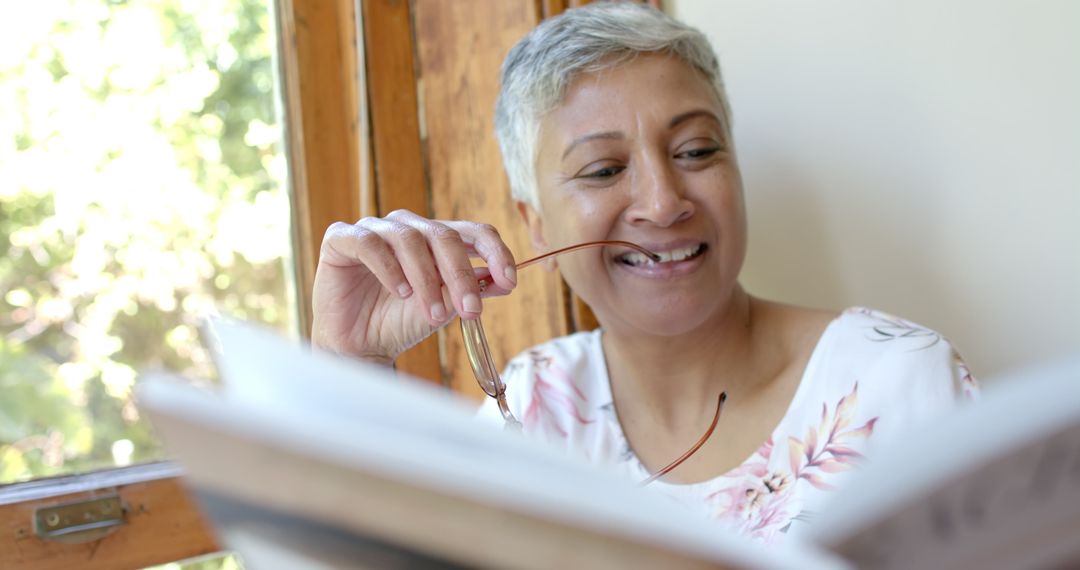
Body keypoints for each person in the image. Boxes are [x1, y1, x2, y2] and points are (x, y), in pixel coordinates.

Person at [311, 3, 977, 543]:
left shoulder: (899, 383)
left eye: (696, 150)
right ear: (535, 222)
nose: (663, 203)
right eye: (603, 170)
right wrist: (352, 363)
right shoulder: (533, 406)